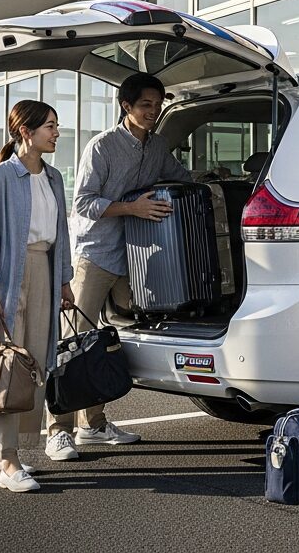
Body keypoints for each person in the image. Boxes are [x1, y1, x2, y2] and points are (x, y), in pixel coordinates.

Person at [46, 73, 194, 461]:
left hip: (134, 257)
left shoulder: (156, 145)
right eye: (145, 104)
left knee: (106, 343)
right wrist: (133, 208)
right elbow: (83, 203)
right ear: (126, 106)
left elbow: (181, 176)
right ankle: (58, 431)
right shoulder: (102, 146)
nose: (153, 111)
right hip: (95, 255)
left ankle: (92, 425)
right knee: (74, 343)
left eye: (157, 104)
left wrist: (220, 180)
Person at [0, 100, 75, 492]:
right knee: (7, 367)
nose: (57, 133)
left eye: (57, 126)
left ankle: (1, 451)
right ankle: (9, 461)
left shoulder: (54, 178)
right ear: (25, 131)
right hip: (8, 280)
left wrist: (64, 281)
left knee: (34, 363)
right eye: (50, 126)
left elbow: (61, 234)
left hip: (45, 270)